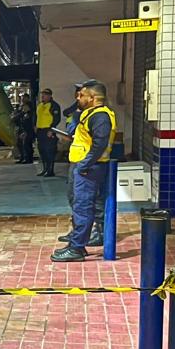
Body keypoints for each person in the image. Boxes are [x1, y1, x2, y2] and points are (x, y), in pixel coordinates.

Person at [52, 81, 115, 262]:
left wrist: (84, 165)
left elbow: (99, 144)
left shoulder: (101, 116)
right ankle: (77, 243)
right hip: (83, 166)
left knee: (84, 207)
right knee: (80, 205)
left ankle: (77, 249)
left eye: (81, 95)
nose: (78, 98)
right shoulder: (90, 114)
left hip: (89, 168)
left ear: (92, 98)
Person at [35, 88, 62, 177]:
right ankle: (45, 169)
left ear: (50, 96)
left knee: (49, 151)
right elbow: (36, 117)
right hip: (40, 131)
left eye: (45, 95)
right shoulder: (40, 105)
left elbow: (56, 119)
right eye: (42, 94)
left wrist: (52, 130)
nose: (43, 96)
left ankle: (50, 170)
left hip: (48, 131)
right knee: (42, 151)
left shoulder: (54, 106)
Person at [13, 95, 35, 164]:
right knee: (21, 144)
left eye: (24, 98)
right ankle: (23, 157)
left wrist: (16, 116)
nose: (22, 99)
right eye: (22, 98)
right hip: (22, 127)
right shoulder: (22, 106)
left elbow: (22, 114)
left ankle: (28, 159)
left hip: (28, 128)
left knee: (26, 144)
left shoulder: (29, 105)